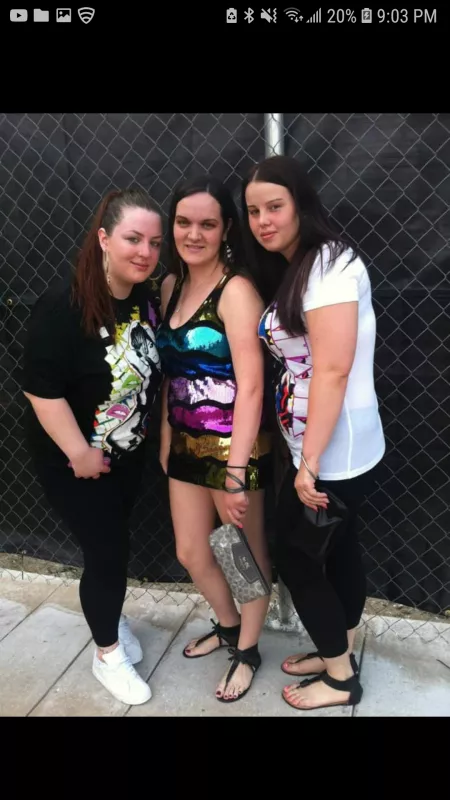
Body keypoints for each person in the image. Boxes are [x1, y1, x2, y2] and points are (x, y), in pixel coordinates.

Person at [242, 155, 385, 711]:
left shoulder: (329, 268)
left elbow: (332, 370)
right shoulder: (306, 264)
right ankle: (337, 649)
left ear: (302, 205)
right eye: (253, 211)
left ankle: (341, 679)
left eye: (274, 207)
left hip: (331, 453)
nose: (263, 221)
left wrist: (309, 464)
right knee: (340, 550)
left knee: (298, 559)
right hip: (327, 447)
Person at [22, 188, 163, 706]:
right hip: (74, 460)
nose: (145, 252)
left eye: (154, 243)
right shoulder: (63, 304)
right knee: (108, 550)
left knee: (110, 548)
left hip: (126, 454)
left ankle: (107, 614)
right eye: (132, 239)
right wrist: (79, 453)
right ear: (104, 238)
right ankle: (107, 653)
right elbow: (40, 389)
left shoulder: (145, 298)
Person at [156, 175, 272, 702]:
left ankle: (248, 650)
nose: (193, 234)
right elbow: (170, 373)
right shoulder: (169, 287)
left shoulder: (237, 291)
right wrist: (166, 437)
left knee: (242, 555)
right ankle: (228, 625)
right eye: (184, 222)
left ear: (226, 228)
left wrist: (236, 472)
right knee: (190, 550)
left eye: (207, 224)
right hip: (184, 443)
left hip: (234, 449)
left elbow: (252, 387)